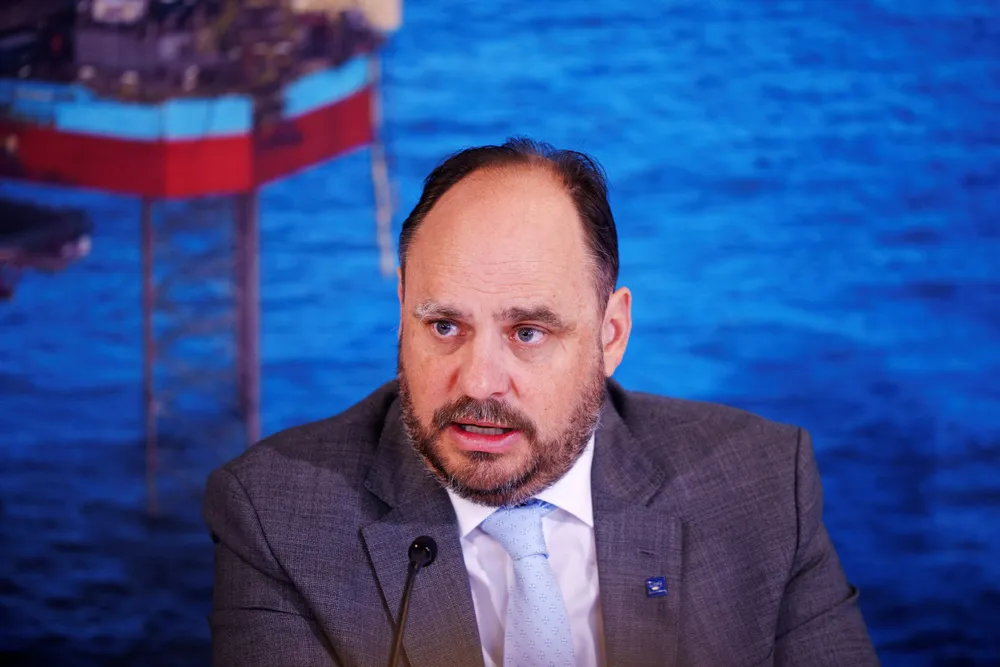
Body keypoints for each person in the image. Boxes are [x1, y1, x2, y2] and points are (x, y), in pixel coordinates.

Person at [202, 138, 880, 667]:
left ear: (611, 335)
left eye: (527, 332)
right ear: (402, 307)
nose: (479, 382)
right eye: (444, 326)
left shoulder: (762, 484)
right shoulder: (277, 514)